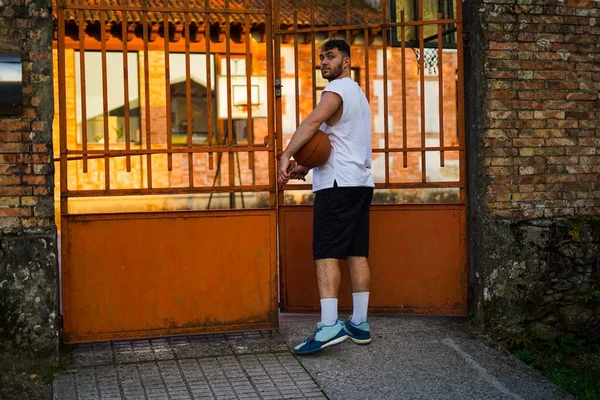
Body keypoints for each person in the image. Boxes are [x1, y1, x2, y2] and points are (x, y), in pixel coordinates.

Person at [278, 38, 374, 355]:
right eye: (321, 57)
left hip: (337, 185)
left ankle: (330, 324)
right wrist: (303, 166)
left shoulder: (337, 91)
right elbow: (334, 142)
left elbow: (312, 123)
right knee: (356, 252)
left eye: (330, 57)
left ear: (346, 62)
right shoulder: (358, 94)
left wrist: (286, 154)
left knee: (326, 252)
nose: (324, 62)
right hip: (360, 182)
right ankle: (359, 323)